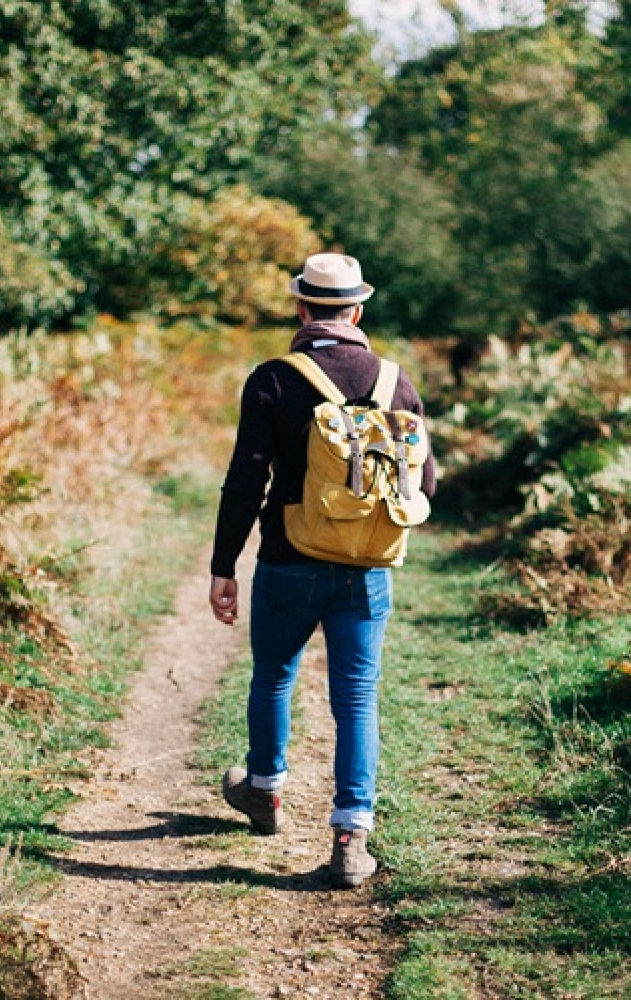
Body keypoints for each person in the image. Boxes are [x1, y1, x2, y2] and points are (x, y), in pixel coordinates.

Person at [209, 252, 436, 888]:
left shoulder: (274, 378)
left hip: (287, 559)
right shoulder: (396, 381)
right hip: (367, 569)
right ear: (357, 311)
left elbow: (245, 481)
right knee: (357, 696)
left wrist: (224, 565)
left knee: (274, 676)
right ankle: (350, 838)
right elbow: (426, 484)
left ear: (301, 308)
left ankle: (263, 790)